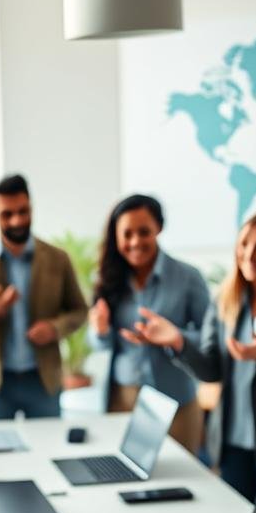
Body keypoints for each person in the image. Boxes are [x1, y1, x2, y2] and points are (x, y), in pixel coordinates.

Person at [127, 211, 256, 502]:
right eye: (244, 244)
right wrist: (178, 341)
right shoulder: (227, 298)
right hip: (231, 444)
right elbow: (211, 369)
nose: (249, 254)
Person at [0, 174, 88, 419]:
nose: (17, 221)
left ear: (31, 208)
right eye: (7, 214)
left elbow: (80, 311)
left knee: (48, 449)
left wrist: (54, 328)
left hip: (43, 380)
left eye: (23, 211)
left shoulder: (58, 259)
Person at [89, 194, 210, 453]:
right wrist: (100, 331)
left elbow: (210, 340)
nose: (135, 242)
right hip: (124, 401)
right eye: (127, 234)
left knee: (184, 485)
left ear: (159, 228)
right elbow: (100, 345)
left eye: (144, 232)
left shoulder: (188, 277)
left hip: (176, 403)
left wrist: (176, 338)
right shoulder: (108, 278)